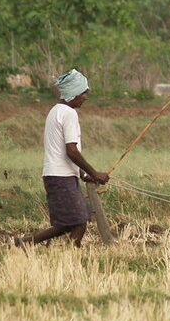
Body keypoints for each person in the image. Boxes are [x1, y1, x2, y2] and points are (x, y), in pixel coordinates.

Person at [14, 69, 109, 248]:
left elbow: (61, 150)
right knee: (79, 221)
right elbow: (71, 151)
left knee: (68, 223)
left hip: (58, 175)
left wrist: (82, 175)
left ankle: (26, 243)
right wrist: (94, 173)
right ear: (73, 93)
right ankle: (71, 255)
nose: (85, 98)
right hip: (61, 177)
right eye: (83, 93)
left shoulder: (55, 111)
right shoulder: (69, 113)